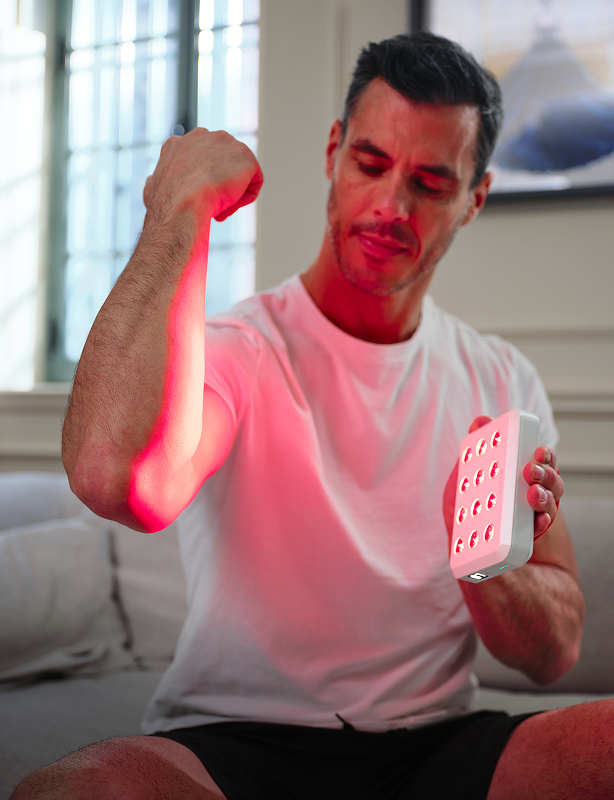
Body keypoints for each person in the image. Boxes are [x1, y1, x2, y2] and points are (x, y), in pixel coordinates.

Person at [14, 31, 607, 800]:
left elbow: (552, 654)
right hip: (238, 740)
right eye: (371, 163)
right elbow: (114, 478)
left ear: (475, 198)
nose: (391, 205)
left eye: (430, 182)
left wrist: (482, 555)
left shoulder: (499, 377)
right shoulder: (240, 349)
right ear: (333, 151)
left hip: (439, 743)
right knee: (77, 791)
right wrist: (177, 210)